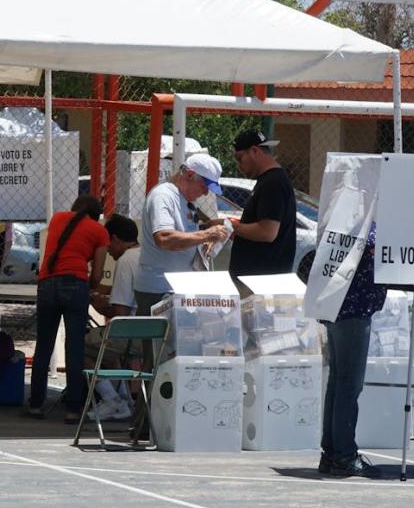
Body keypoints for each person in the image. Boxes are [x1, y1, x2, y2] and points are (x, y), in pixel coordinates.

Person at [26, 195, 109, 424]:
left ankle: (35, 404)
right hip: (76, 284)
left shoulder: (57, 218)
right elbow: (98, 274)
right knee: (74, 348)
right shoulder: (99, 231)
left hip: (47, 283)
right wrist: (90, 287)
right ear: (96, 215)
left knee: (44, 345)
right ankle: (73, 409)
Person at [320, 224, 386, 479]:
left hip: (339, 305)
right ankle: (344, 455)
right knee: (348, 383)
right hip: (353, 309)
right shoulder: (366, 222)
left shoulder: (347, 216)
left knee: (339, 381)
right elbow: (374, 248)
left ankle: (332, 452)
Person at [134, 154, 230, 317]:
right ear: (190, 175)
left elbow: (185, 234)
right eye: (204, 185)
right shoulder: (163, 196)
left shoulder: (183, 199)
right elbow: (164, 238)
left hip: (176, 287)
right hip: (160, 289)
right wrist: (206, 234)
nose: (206, 193)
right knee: (161, 342)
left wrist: (205, 239)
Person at [82, 214, 142, 422]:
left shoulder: (125, 261)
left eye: (109, 244)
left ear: (115, 239)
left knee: (79, 345)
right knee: (106, 346)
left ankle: (111, 399)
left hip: (131, 336)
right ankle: (123, 399)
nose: (107, 250)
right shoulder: (144, 255)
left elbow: (121, 315)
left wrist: (101, 307)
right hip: (152, 333)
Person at [228, 128, 297, 276]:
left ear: (254, 151)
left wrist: (230, 225)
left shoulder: (273, 183)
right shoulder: (270, 180)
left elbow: (267, 232)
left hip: (261, 282)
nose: (238, 165)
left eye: (239, 158)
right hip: (260, 278)